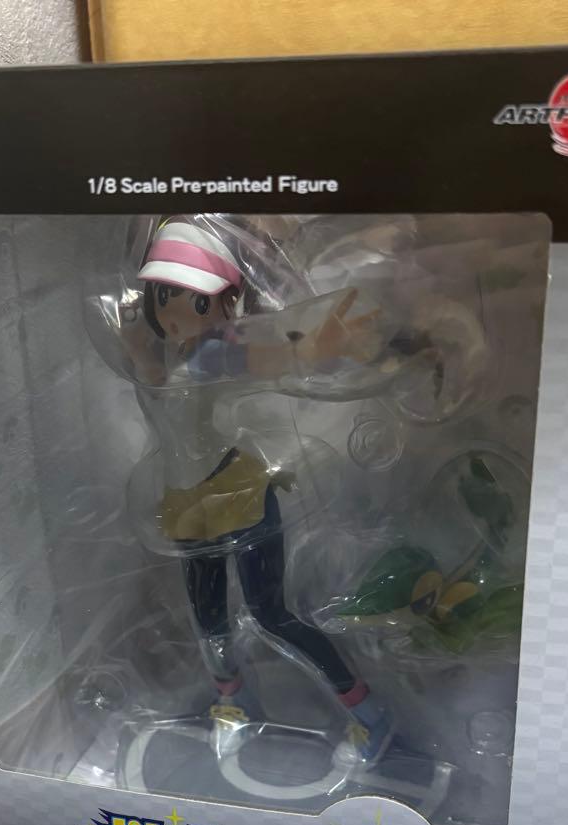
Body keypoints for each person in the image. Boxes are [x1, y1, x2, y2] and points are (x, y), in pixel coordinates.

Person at [129, 217, 392, 765]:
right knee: (209, 619)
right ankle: (233, 701)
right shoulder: (166, 353)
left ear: (228, 303)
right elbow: (149, 373)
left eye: (197, 301)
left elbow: (272, 358)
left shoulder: (213, 353)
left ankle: (369, 712)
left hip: (238, 494)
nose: (176, 312)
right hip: (188, 504)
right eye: (164, 296)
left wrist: (318, 348)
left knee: (272, 615)